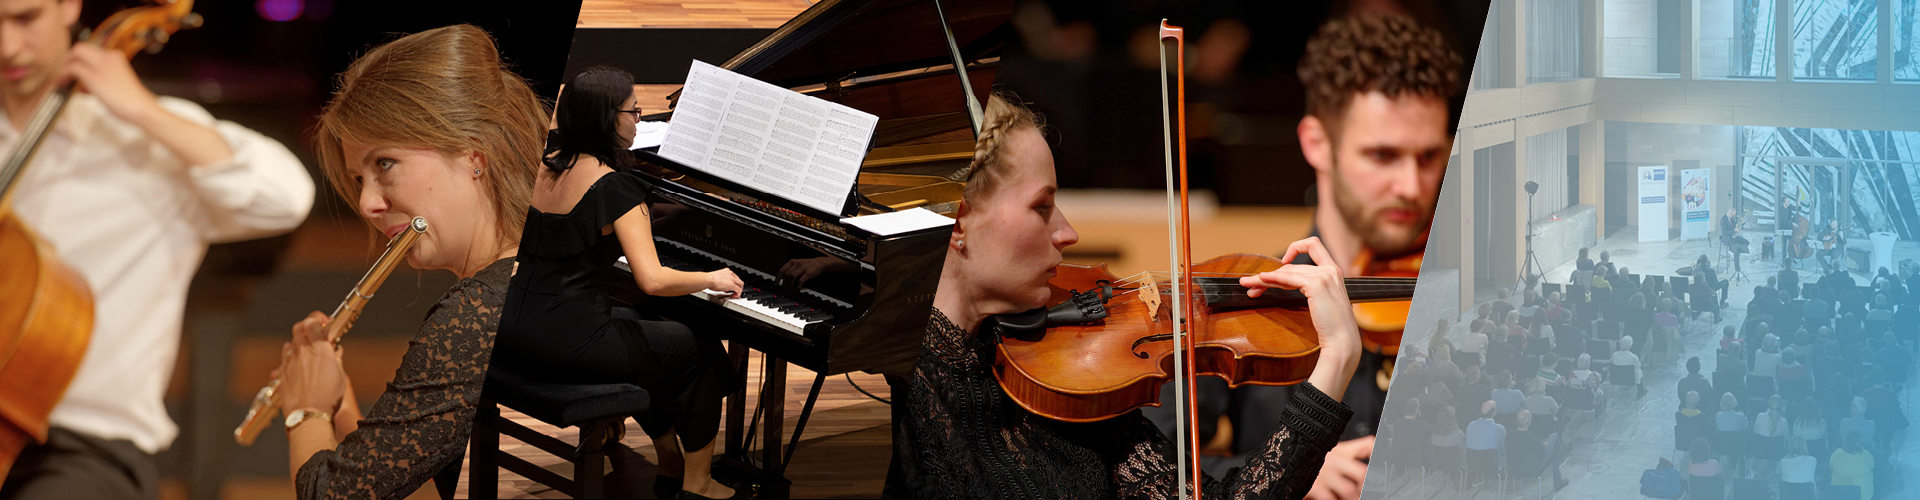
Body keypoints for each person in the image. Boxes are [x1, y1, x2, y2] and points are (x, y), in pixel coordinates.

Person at [892, 92, 1360, 500]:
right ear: (958, 221)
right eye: (1042, 207)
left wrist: (1335, 361)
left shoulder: (1068, 381)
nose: (1068, 232)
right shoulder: (894, 400)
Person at [0, 0, 314, 497]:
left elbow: (286, 197)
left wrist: (142, 109)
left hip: (88, 448)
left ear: (68, 7)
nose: (7, 46)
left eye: (25, 18)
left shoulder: (147, 139)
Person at [271, 25, 537, 499]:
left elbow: (332, 496)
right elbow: (387, 480)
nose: (368, 203)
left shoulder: (477, 314)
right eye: (358, 179)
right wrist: (335, 401)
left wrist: (303, 411)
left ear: (473, 154)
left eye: (385, 164)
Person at [1223, 13, 1462, 500]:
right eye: (1382, 155)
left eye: (1429, 157)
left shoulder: (1469, 297)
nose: (1412, 186)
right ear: (1317, 142)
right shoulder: (1252, 299)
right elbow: (1161, 466)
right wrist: (1292, 465)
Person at [496, 65, 746, 499]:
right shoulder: (615, 188)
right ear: (607, 118)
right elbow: (652, 279)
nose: (639, 121)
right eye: (635, 111)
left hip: (513, 330)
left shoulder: (540, 167)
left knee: (645, 327)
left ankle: (669, 458)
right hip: (568, 344)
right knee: (699, 348)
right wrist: (711, 276)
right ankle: (698, 482)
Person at [1506, 411, 1568, 490]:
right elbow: (1543, 453)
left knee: (1554, 450)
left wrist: (1540, 443)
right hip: (1532, 469)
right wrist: (1542, 444)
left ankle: (1558, 481)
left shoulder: (1509, 435)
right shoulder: (1533, 440)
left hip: (1513, 468)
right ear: (1529, 422)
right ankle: (1558, 480)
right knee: (1554, 437)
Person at [1828, 432, 1875, 499]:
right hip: (1863, 496)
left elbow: (1830, 467)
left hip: (1838, 496)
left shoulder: (1836, 453)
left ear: (1845, 442)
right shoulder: (1867, 455)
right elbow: (1872, 466)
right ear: (1860, 443)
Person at [1463, 400, 1506, 469]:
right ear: (1494, 413)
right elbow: (1504, 448)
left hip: (1473, 465)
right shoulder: (1499, 429)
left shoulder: (1470, 425)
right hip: (1492, 466)